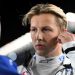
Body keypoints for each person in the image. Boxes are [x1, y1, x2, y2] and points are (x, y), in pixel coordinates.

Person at [21, 3, 75, 75]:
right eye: (34, 29)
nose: (38, 37)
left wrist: (72, 52)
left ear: (62, 32)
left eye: (46, 29)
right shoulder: (16, 70)